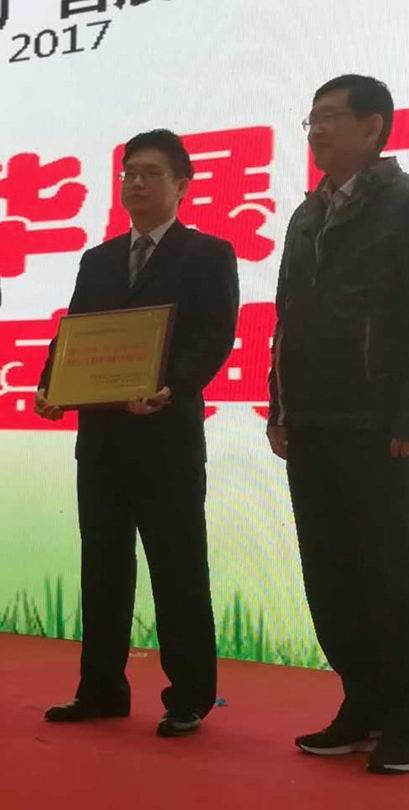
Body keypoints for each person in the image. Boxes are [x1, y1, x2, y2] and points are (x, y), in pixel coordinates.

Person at [267, 75, 409, 774]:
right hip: (312, 422)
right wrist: (280, 406)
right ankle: (363, 704)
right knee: (331, 574)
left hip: (380, 426)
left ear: (374, 127)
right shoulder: (307, 213)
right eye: (311, 119)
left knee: (389, 575)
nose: (316, 131)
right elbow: (287, 321)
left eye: (331, 117)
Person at [35, 129, 239, 737]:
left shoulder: (207, 254)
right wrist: (51, 385)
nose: (136, 183)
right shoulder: (98, 259)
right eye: (129, 173)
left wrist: (172, 386)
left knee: (178, 566)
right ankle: (100, 689)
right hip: (101, 439)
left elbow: (215, 336)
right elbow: (75, 332)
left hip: (166, 435)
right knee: (102, 565)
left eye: (151, 173)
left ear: (182, 185)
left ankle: (190, 696)